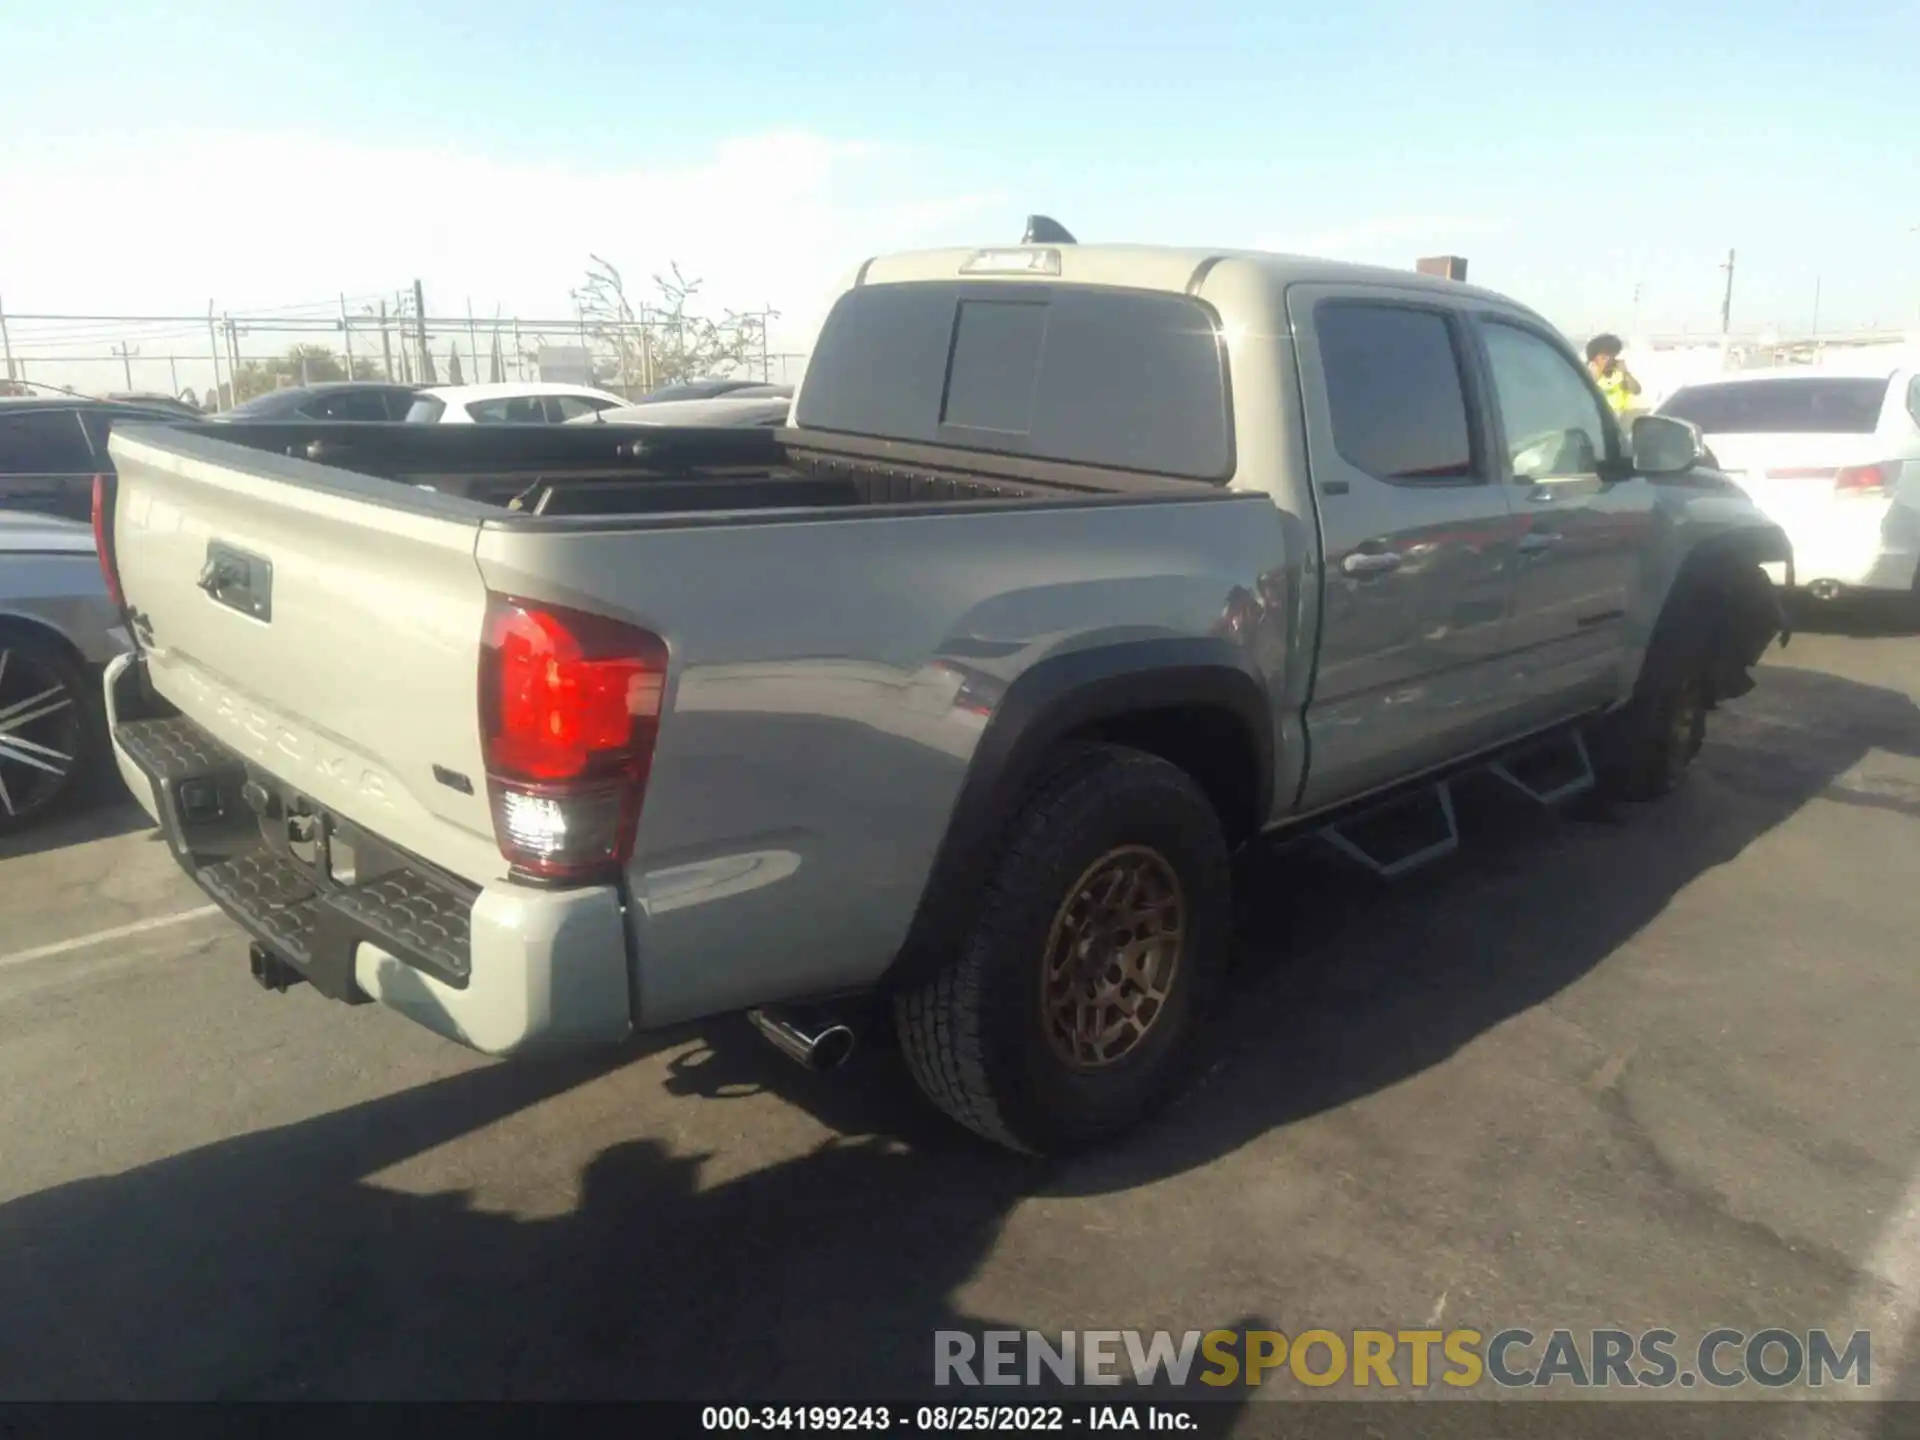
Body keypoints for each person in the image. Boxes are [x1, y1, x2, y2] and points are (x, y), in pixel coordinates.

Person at [1585, 333, 1642, 416]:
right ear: (1594, 358)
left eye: (1612, 355)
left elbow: (1637, 390)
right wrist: (1595, 376)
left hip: (1620, 419)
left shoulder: (1619, 373)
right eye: (1604, 357)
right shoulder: (1587, 374)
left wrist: (1625, 373)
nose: (1609, 360)